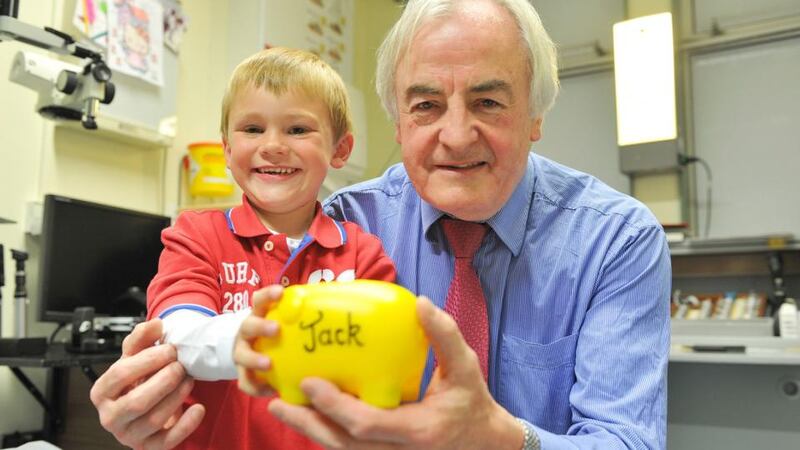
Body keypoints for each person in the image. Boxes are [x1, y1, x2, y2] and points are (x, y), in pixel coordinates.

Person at [91, 0, 671, 449]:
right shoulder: (344, 224)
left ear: (536, 114)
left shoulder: (616, 242)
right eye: (425, 105)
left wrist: (501, 438)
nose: (457, 134)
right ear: (395, 120)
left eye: (489, 102)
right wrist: (154, 403)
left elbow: (627, 441)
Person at [90, 47, 395, 450]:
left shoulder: (363, 254)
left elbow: (381, 365)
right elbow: (179, 336)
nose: (273, 145)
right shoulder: (194, 235)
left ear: (339, 150)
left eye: (298, 130)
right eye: (252, 129)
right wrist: (272, 337)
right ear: (227, 150)